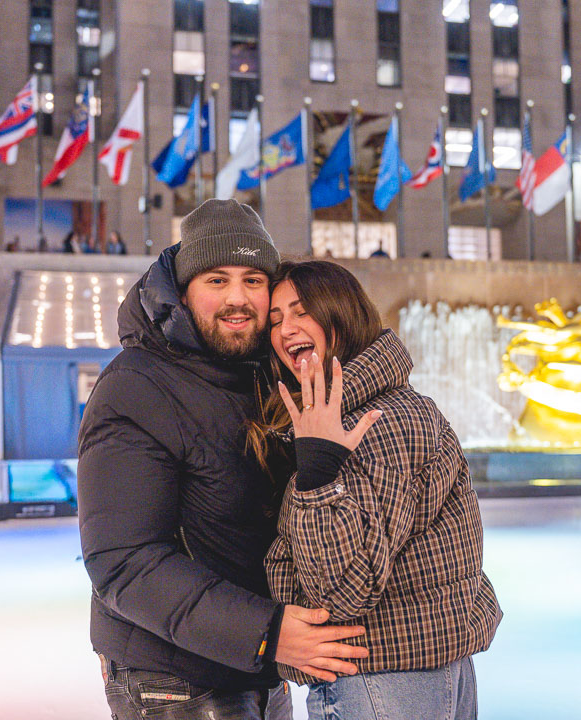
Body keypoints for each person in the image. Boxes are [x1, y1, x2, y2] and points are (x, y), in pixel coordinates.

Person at [77, 199, 369, 720]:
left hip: (260, 670)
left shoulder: (264, 378)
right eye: (216, 280)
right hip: (176, 682)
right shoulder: (135, 386)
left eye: (254, 280)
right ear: (183, 292)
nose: (238, 299)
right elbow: (123, 560)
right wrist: (268, 633)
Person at [254, 261, 502, 720]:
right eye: (275, 320)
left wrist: (316, 473)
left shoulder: (374, 424)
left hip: (379, 681)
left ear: (341, 316)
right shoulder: (383, 409)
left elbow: (342, 592)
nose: (286, 329)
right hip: (413, 676)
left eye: (301, 312)